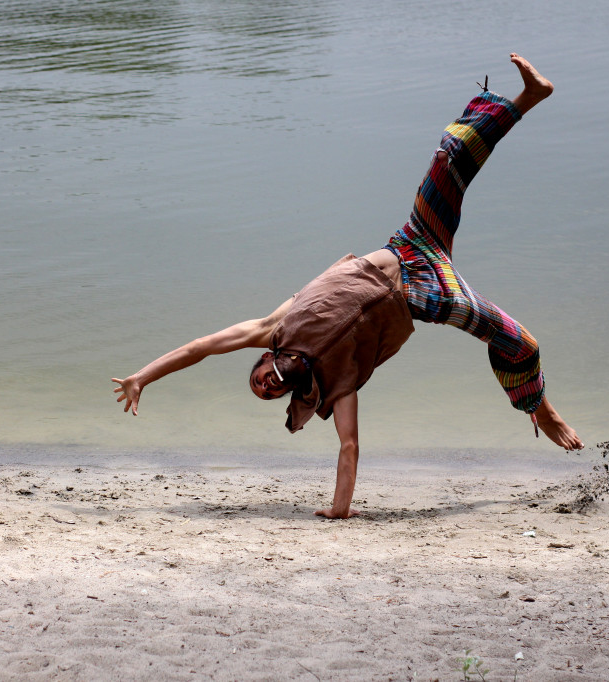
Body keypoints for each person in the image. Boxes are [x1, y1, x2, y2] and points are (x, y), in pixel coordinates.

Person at [113, 54, 583, 519]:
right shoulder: (335, 384)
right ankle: (539, 407)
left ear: (265, 360)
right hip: (426, 293)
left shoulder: (272, 327)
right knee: (519, 342)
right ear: (290, 394)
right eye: (270, 394)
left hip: (411, 241)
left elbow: (199, 348)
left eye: (260, 380)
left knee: (449, 158)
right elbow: (349, 445)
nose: (268, 385)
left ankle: (529, 96)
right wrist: (340, 510)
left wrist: (142, 377)